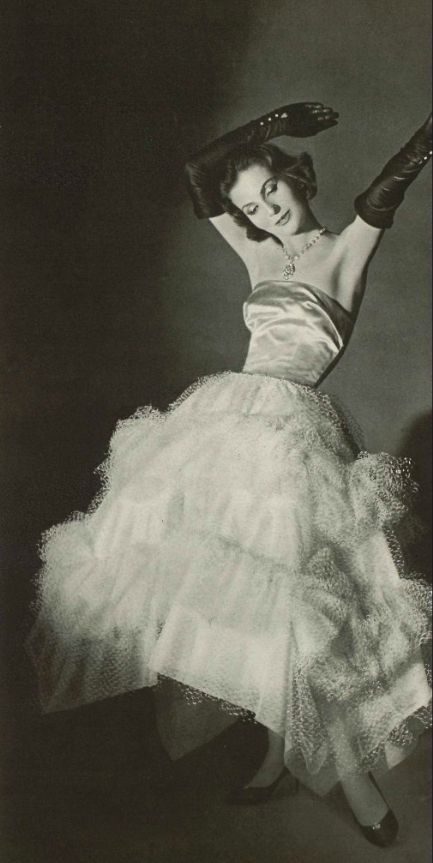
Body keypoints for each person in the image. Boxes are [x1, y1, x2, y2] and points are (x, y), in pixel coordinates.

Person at [27, 101, 432, 848]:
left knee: (295, 607)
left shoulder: (346, 250)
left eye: (270, 190)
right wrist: (270, 124)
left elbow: (391, 183)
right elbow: (196, 174)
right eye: (249, 206)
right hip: (224, 429)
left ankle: (351, 778)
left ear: (296, 178)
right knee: (248, 599)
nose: (264, 211)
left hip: (292, 439)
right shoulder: (258, 256)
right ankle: (277, 756)